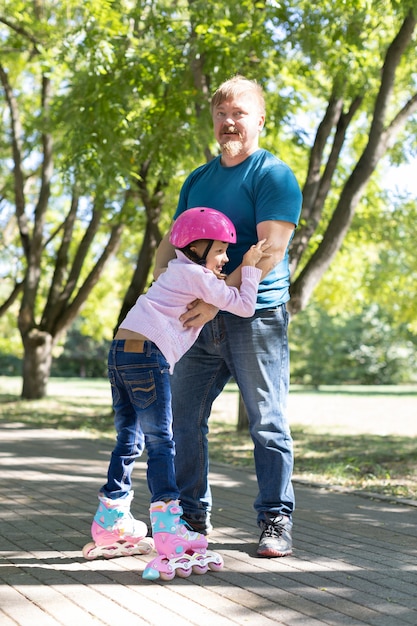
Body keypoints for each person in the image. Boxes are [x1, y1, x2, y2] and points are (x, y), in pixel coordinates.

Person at [154, 75, 303, 558]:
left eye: (239, 113)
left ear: (260, 119)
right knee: (182, 418)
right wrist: (159, 295)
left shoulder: (272, 174)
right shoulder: (198, 180)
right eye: (221, 114)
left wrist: (216, 299)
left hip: (255, 317)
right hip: (197, 319)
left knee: (267, 422)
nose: (229, 122)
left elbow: (271, 250)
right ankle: (191, 519)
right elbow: (172, 244)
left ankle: (275, 519)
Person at [82, 206, 270, 580]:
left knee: (128, 439)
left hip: (121, 351)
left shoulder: (176, 271)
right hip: (149, 356)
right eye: (221, 250)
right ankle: (169, 527)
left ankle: (110, 520)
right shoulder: (197, 275)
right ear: (198, 248)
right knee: (162, 441)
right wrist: (250, 266)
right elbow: (245, 306)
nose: (226, 258)